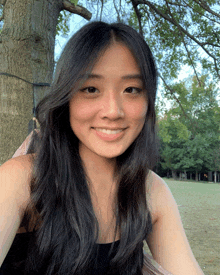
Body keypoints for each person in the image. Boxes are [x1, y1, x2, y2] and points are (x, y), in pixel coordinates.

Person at [0, 21, 204, 275]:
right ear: (67, 98)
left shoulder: (151, 190)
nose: (113, 111)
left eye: (131, 89)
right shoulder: (22, 180)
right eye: (91, 89)